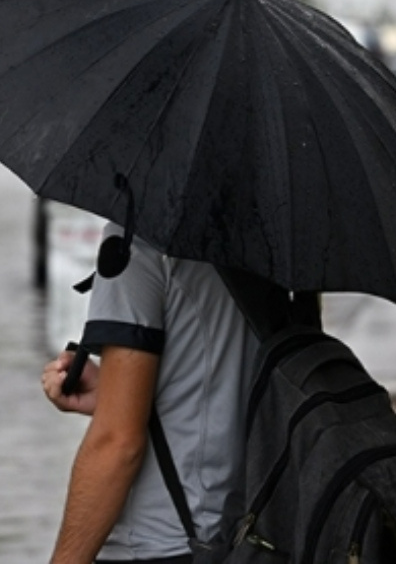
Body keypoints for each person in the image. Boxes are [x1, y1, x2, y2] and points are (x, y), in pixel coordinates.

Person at [39, 223, 256, 564]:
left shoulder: (135, 243)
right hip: (246, 536)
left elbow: (117, 443)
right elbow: (228, 383)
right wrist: (114, 394)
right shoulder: (264, 239)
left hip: (156, 544)